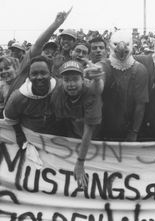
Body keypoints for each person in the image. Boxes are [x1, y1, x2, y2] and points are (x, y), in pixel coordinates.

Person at [50, 60, 103, 188]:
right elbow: (57, 121)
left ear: (83, 79)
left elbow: (88, 131)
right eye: (67, 80)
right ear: (61, 80)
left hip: (94, 138)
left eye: (75, 79)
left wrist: (80, 163)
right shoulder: (57, 93)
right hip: (71, 136)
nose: (71, 84)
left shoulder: (91, 93)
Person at [5, 9, 72, 102]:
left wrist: (56, 68)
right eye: (46, 52)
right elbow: (39, 44)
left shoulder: (51, 79)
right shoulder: (26, 66)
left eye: (52, 54)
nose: (49, 55)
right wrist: (56, 24)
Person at [97, 31, 149, 141]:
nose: (121, 48)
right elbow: (99, 84)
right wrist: (96, 79)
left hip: (128, 129)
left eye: (126, 44)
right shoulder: (103, 66)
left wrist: (134, 132)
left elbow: (140, 105)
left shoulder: (140, 70)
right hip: (103, 127)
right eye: (116, 44)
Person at [4, 56, 59, 147]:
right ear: (29, 76)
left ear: (50, 74)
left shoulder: (59, 88)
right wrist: (19, 134)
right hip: (30, 137)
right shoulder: (18, 97)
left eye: (43, 73)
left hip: (56, 139)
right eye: (34, 74)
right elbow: (10, 118)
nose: (39, 77)